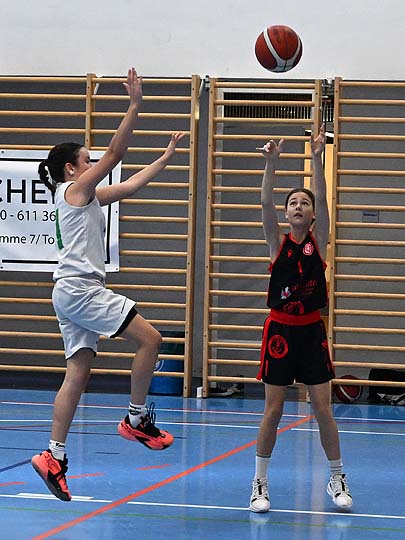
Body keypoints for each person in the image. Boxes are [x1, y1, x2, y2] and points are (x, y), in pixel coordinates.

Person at [31, 68, 184, 502]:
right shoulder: (74, 191)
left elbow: (130, 184)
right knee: (151, 340)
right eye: (87, 160)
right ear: (71, 169)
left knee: (77, 373)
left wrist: (165, 157)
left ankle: (54, 455)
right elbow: (116, 154)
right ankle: (135, 419)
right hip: (81, 290)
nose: (92, 163)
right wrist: (135, 105)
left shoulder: (85, 198)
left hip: (69, 292)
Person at [249, 124, 352, 513]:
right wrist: (271, 165)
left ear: (310, 215)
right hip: (280, 332)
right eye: (292, 202)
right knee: (273, 410)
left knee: (323, 409)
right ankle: (260, 483)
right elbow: (265, 204)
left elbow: (323, 200)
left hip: (311, 334)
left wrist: (318, 157)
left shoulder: (317, 241)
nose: (298, 206)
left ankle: (337, 476)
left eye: (303, 203)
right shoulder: (277, 243)